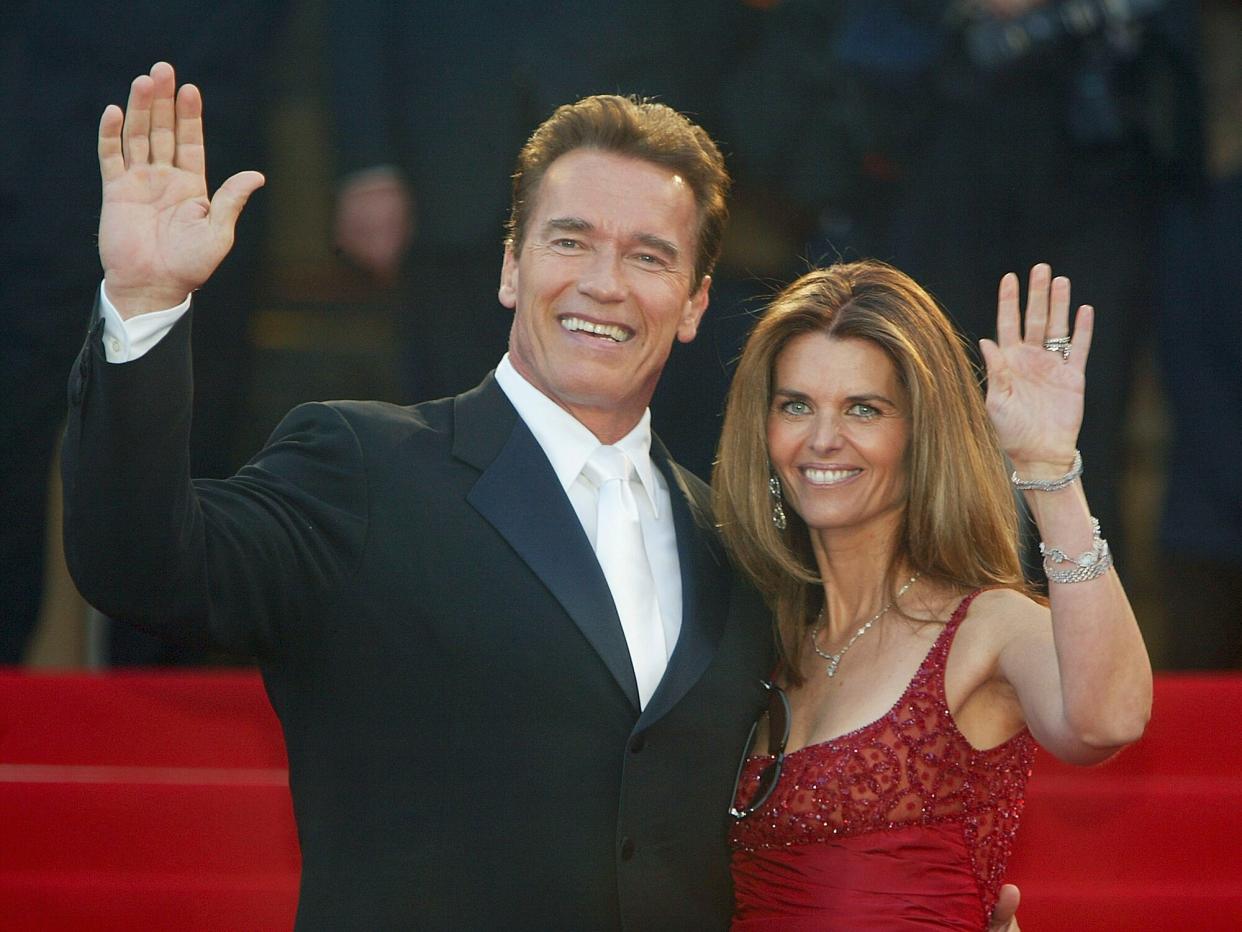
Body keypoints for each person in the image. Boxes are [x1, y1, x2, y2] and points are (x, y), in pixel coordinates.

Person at [62, 64, 1023, 930]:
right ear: (512, 265)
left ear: (692, 304)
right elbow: (142, 563)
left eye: (649, 256)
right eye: (572, 241)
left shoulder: (740, 546)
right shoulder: (361, 465)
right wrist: (143, 310)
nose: (605, 285)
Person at [713, 260, 1152, 929]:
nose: (823, 438)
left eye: (864, 408)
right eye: (796, 405)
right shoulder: (764, 637)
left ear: (920, 435)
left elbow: (1107, 719)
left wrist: (1049, 472)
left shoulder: (986, 625)